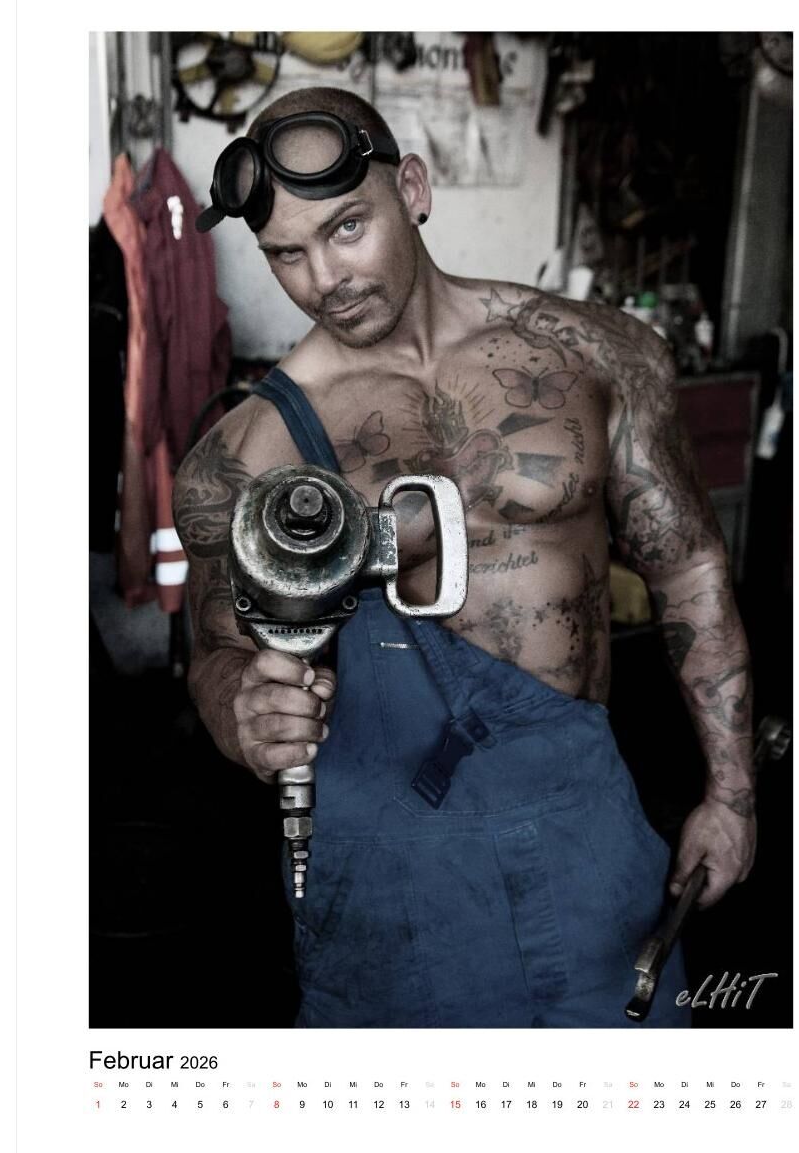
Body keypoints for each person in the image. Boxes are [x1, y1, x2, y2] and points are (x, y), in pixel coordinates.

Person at [173, 87, 755, 1028]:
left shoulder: (597, 356)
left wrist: (730, 795)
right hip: (385, 881)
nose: (325, 278)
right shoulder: (242, 456)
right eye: (286, 253)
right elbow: (216, 655)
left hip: (586, 841)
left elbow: (688, 569)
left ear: (412, 189)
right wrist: (243, 713)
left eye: (347, 227)